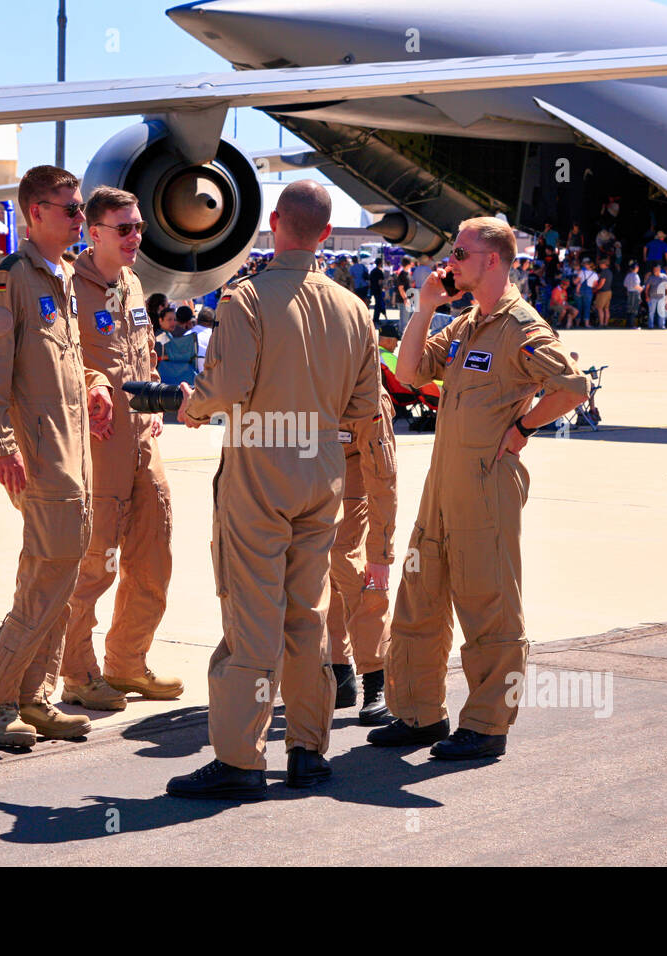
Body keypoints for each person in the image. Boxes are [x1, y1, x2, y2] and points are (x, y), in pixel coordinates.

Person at [168, 180, 381, 798]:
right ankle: (308, 752)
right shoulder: (351, 307)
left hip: (262, 466)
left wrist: (192, 404)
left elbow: (225, 387)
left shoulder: (248, 299)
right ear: (324, 231)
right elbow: (365, 405)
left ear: (275, 221)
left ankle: (240, 759)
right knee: (307, 614)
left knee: (251, 615)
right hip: (323, 465)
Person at [368, 216, 589, 759]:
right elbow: (413, 371)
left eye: (461, 253)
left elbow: (573, 388)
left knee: (488, 602)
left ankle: (488, 724)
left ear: (493, 260)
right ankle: (419, 714)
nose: (452, 262)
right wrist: (424, 308)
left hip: (487, 486)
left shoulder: (522, 328)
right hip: (444, 484)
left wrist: (522, 430)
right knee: (419, 596)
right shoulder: (468, 324)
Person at [0, 164, 114, 747]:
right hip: (41, 458)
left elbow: (59, 363)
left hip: (73, 455)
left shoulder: (58, 277)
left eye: (79, 207)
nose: (81, 217)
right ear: (36, 214)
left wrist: (94, 385)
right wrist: (4, 447)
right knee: (47, 580)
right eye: (71, 208)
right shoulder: (11, 280)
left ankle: (35, 695)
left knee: (60, 577)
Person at [58, 186, 181, 712]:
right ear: (95, 232)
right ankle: (77, 674)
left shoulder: (132, 283)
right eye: (124, 229)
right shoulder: (65, 288)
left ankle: (127, 662)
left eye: (139, 228)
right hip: (97, 445)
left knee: (154, 557)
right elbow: (50, 364)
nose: (135, 238)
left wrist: (153, 403)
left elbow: (143, 354)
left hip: (142, 441)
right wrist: (89, 385)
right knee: (94, 565)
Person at [328, 385, 397, 725]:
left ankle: (377, 680)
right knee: (312, 570)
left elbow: (384, 479)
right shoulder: (307, 368)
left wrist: (381, 553)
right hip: (310, 471)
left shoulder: (368, 395)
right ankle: (338, 671)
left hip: (352, 473)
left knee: (348, 564)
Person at [623, 262, 642, 327]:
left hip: (629, 293)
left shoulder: (628, 275)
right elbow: (635, 286)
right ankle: (632, 325)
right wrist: (641, 288)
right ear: (636, 268)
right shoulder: (636, 275)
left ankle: (628, 324)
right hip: (635, 293)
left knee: (629, 309)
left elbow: (625, 284)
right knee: (634, 310)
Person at [370, 256, 387, 323]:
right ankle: (376, 319)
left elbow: (370, 281)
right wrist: (382, 288)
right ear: (380, 263)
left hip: (373, 289)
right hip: (378, 290)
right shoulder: (379, 272)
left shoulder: (372, 271)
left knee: (377, 304)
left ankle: (375, 318)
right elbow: (380, 282)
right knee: (378, 305)